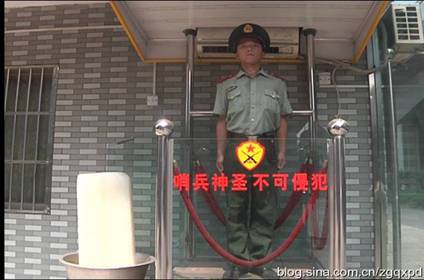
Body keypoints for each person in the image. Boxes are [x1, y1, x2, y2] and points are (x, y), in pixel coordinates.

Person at [213, 23, 293, 278]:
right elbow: (221, 121)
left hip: (266, 147)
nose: (249, 49)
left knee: (264, 204)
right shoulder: (225, 85)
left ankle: (260, 261)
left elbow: (282, 119)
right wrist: (220, 153)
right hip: (237, 147)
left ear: (262, 51)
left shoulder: (277, 84)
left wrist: (281, 151)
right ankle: (237, 262)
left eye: (254, 46)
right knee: (235, 204)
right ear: (236, 53)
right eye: (244, 46)